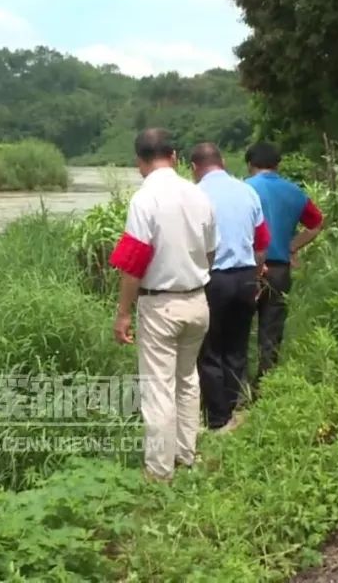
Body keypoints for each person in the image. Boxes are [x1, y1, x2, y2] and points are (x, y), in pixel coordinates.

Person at [109, 128, 216, 483]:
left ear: (140, 162)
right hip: (198, 300)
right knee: (187, 380)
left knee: (158, 388)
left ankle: (159, 471)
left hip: (161, 306)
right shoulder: (199, 195)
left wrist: (123, 313)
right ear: (174, 156)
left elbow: (134, 263)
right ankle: (186, 455)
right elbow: (211, 250)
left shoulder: (145, 199)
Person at [189, 143, 270, 433]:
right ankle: (233, 406)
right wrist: (257, 275)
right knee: (236, 347)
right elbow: (262, 241)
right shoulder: (247, 190)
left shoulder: (196, 194)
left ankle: (217, 417)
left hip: (214, 279)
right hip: (246, 275)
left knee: (210, 349)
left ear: (195, 167)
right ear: (222, 162)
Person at [244, 142, 324, 394]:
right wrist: (292, 246)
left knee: (239, 328)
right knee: (271, 329)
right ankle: (265, 386)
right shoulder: (295, 192)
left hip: (247, 268)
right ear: (277, 165)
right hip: (279, 270)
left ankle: (238, 388)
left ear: (250, 164)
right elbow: (316, 223)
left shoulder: (244, 189)